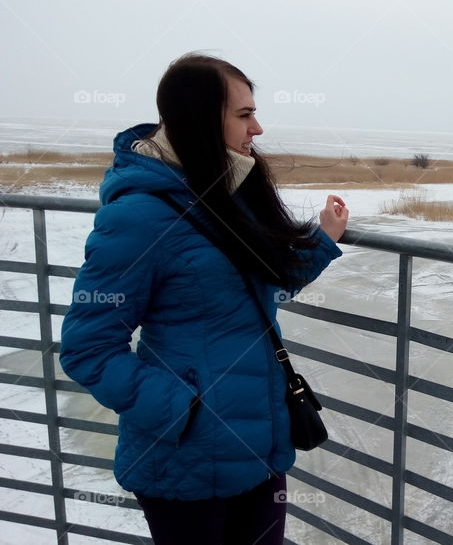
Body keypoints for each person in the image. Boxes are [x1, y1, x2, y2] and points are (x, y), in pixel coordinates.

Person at [59, 53, 348, 544]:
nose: (257, 127)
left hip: (260, 448)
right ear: (198, 116)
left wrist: (321, 240)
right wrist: (183, 410)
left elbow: (260, 288)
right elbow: (88, 347)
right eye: (243, 114)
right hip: (184, 464)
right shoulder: (139, 218)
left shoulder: (226, 194)